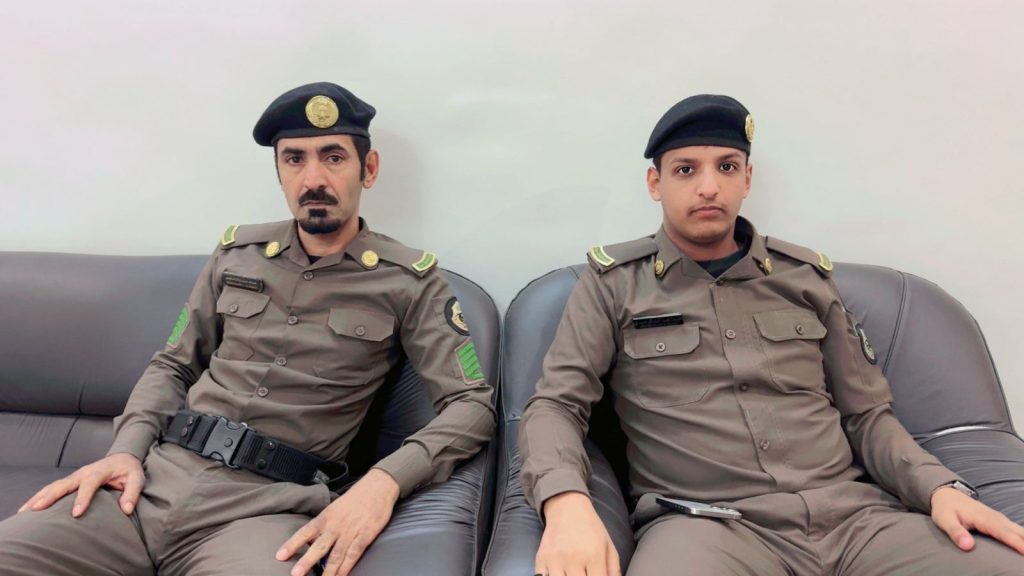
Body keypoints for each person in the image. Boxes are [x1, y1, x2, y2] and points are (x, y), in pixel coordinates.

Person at [0, 82, 495, 576]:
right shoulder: (237, 255)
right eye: (294, 159)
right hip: (148, 485)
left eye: (333, 157)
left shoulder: (409, 280)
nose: (313, 179)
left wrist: (384, 481)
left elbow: (472, 405)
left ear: (368, 169)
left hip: (264, 512)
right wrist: (125, 451)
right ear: (279, 171)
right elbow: (173, 365)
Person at [519, 94, 1024, 576]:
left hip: (855, 521)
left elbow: (868, 415)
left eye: (727, 167)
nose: (709, 187)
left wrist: (938, 488)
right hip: (707, 528)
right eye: (686, 170)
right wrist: (566, 504)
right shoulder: (614, 285)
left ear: (747, 178)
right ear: (656, 183)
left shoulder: (805, 279)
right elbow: (556, 405)